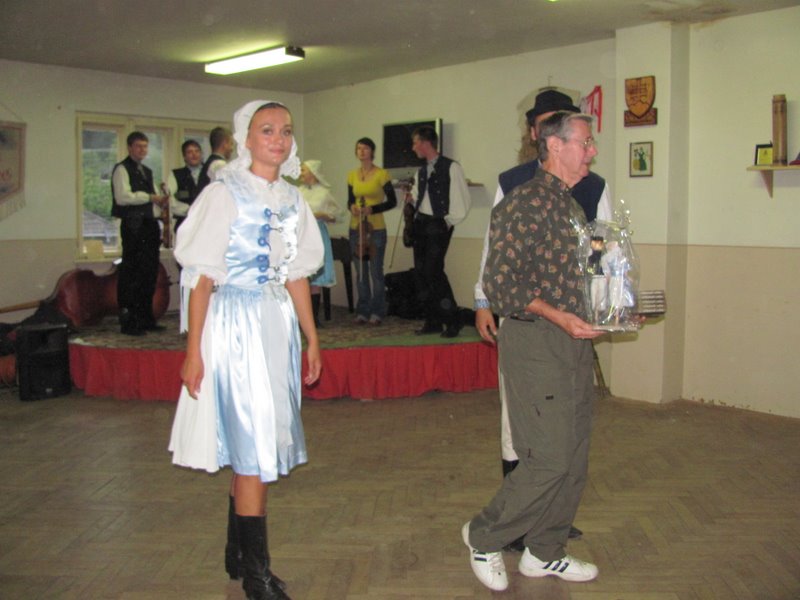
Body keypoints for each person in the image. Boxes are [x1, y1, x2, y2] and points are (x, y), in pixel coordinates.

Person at [168, 100, 323, 600]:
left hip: (275, 323)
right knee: (254, 446)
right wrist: (194, 351)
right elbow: (202, 280)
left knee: (256, 440)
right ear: (247, 139)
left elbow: (296, 275)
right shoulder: (224, 193)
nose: (279, 139)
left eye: (286, 131)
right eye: (267, 130)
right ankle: (257, 575)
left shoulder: (293, 200)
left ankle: (237, 554)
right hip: (234, 325)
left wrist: (311, 337)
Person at [463, 111, 604, 592]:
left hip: (572, 342)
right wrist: (558, 316)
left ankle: (545, 551)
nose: (592, 151)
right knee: (549, 458)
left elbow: (572, 279)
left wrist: (612, 310)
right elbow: (501, 284)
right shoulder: (523, 204)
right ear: (554, 145)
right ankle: (484, 536)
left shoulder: (572, 207)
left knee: (575, 456)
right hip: (535, 341)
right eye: (585, 142)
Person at [407, 126, 471, 338]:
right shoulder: (421, 172)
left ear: (425, 143)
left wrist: (447, 221)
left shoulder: (451, 167)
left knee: (433, 271)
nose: (413, 147)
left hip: (438, 224)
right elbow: (418, 198)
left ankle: (453, 319)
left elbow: (462, 199)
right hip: (421, 224)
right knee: (421, 273)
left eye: (415, 142)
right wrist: (411, 200)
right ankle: (433, 320)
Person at [110, 131, 169, 336]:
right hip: (133, 226)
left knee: (148, 273)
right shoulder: (121, 169)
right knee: (132, 274)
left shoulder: (147, 171)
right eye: (138, 146)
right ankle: (129, 322)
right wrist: (150, 197)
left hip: (148, 225)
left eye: (145, 146)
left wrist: (160, 204)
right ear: (129, 148)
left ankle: (146, 318)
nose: (142, 150)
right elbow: (123, 197)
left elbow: (151, 201)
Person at [347, 137, 397, 325]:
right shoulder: (352, 175)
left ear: (372, 152)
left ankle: (377, 311)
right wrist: (352, 207)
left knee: (376, 271)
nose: (361, 151)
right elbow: (349, 200)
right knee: (361, 272)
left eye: (365, 148)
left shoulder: (382, 174)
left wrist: (372, 209)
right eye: (359, 148)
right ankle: (363, 310)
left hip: (376, 228)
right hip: (356, 228)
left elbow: (392, 201)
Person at [298, 159, 341, 325]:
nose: (301, 173)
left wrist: (323, 215)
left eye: (304, 170)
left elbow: (336, 215)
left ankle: (314, 318)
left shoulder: (324, 193)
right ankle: (302, 317)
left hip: (317, 234)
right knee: (302, 277)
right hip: (302, 235)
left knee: (315, 278)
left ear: (313, 173)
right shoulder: (298, 191)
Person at [167, 139, 203, 233]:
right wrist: (188, 210)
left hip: (206, 223)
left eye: (197, 151)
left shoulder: (210, 172)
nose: (194, 154)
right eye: (190, 152)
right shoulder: (176, 174)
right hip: (185, 223)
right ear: (184, 157)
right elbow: (168, 199)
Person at [197, 126, 234, 191]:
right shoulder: (219, 165)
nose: (232, 149)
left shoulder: (210, 163)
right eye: (231, 144)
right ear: (224, 143)